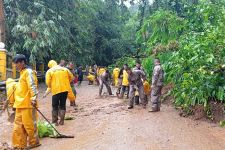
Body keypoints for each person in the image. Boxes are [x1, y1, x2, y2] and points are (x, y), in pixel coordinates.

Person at [11, 54, 40, 149]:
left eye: (16, 63)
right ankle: (18, 145)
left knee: (30, 125)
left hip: (28, 104)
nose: (15, 66)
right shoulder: (22, 72)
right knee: (18, 126)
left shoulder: (29, 72)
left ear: (22, 62)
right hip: (19, 104)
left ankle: (34, 142)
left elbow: (32, 86)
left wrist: (33, 99)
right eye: (15, 64)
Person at [46, 60, 74, 125]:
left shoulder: (50, 71)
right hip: (65, 90)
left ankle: (55, 122)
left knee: (55, 106)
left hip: (56, 90)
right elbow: (71, 78)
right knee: (62, 105)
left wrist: (51, 86)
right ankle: (62, 121)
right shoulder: (65, 69)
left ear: (50, 65)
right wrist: (66, 82)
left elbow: (48, 82)